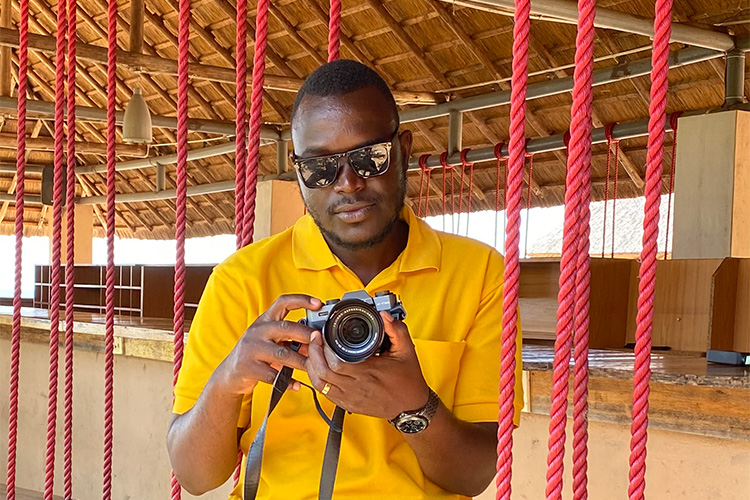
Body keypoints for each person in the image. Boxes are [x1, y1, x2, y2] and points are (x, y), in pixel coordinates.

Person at [167, 60, 523, 500]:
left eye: (369, 157)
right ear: (298, 173)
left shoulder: (479, 273)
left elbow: (474, 476)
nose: (348, 183)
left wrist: (411, 405)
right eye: (320, 167)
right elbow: (195, 477)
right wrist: (230, 379)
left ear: (404, 150)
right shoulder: (242, 279)